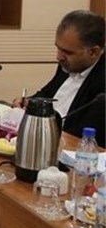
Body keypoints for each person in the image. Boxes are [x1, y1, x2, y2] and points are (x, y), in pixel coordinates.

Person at [12, 10, 104, 146]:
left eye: (67, 52)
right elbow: (47, 93)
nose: (59, 57)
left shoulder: (101, 83)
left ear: (93, 52)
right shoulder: (68, 65)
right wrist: (28, 102)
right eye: (58, 48)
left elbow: (84, 134)